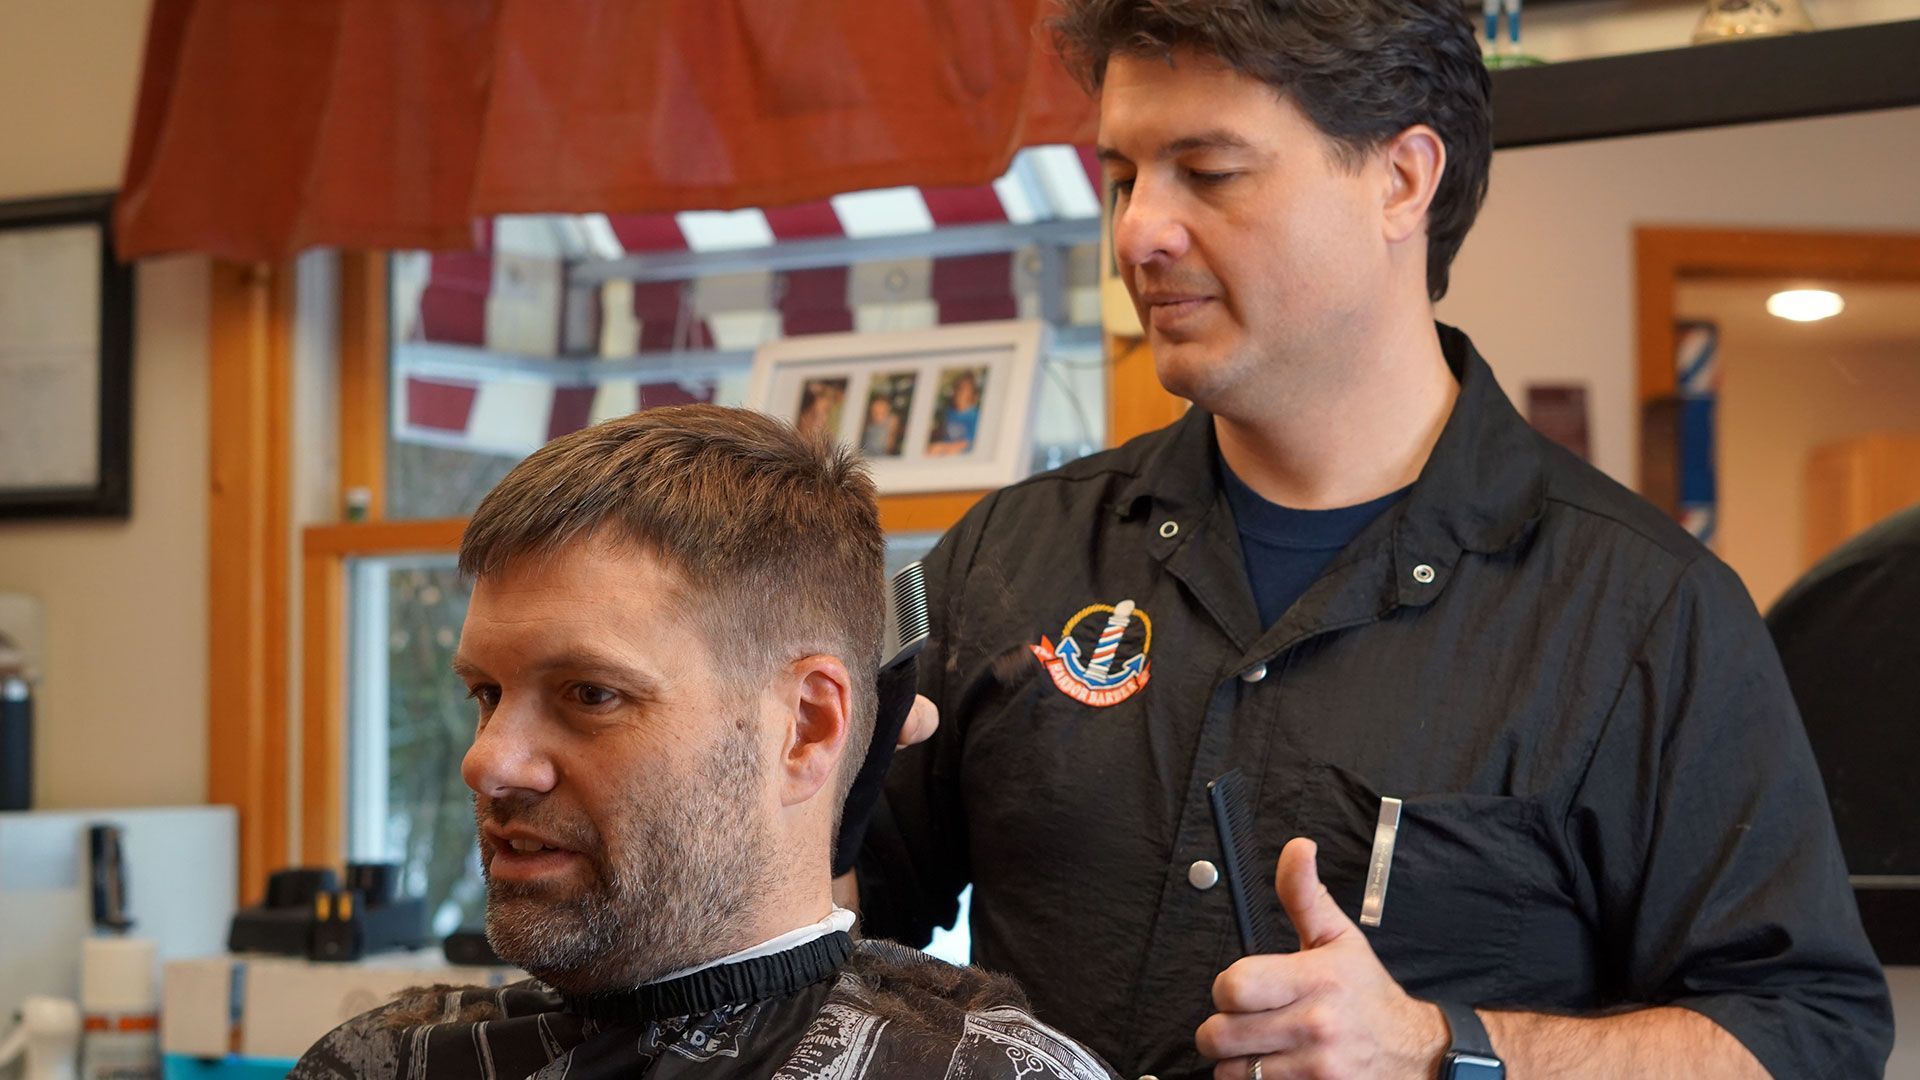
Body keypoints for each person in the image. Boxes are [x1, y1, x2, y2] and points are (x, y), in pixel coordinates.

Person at [849, 1, 1893, 1077]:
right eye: (1125, 177)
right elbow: (832, 913)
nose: (1139, 231)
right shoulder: (1007, 557)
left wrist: (1442, 1048)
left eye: (1208, 174)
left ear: (1402, 180)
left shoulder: (1648, 614)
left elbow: (1808, 1036)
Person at [289, 405, 1118, 1080]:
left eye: (591, 695)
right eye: (487, 694)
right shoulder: (377, 1064)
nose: (488, 762)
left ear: (808, 728)